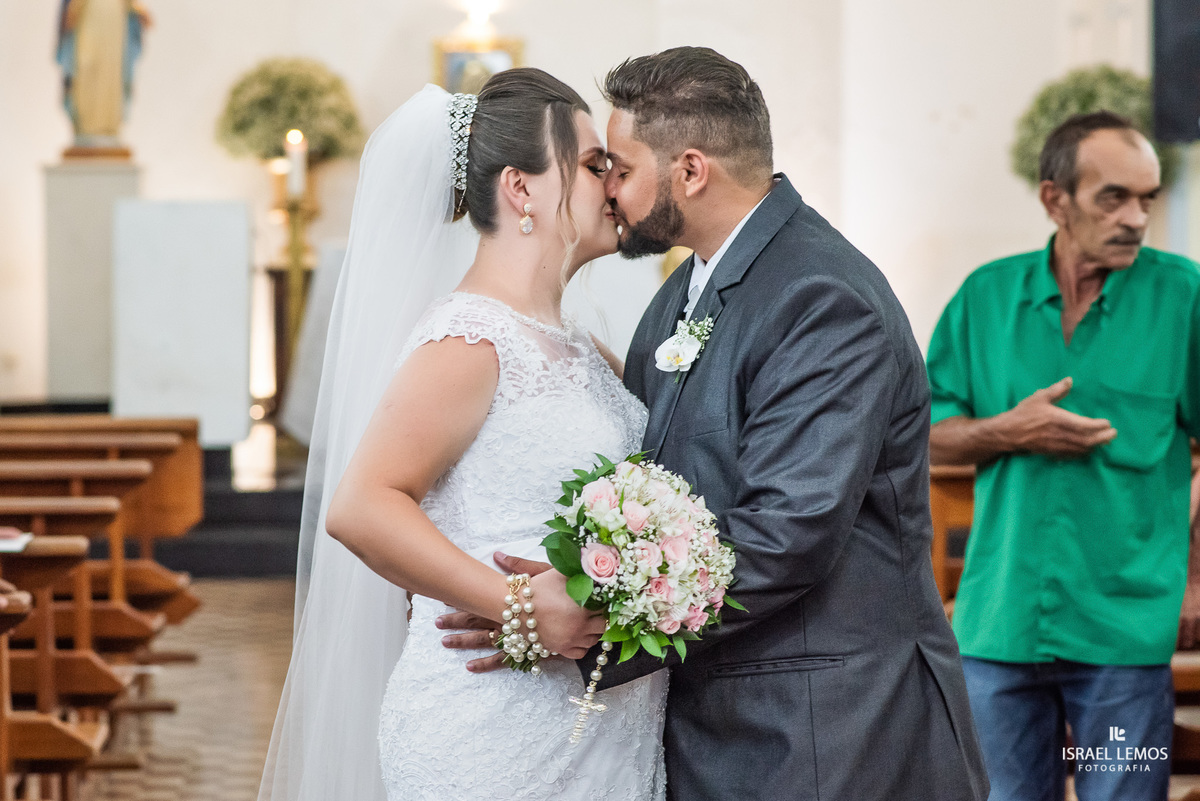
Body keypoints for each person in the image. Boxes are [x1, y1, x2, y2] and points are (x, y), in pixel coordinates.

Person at [442, 46, 988, 800]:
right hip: (720, 723)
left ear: (690, 170)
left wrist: (584, 616)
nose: (610, 191)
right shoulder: (678, 299)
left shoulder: (822, 295)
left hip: (825, 728)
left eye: (621, 169)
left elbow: (788, 533)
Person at [258, 69, 667, 801]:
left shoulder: (584, 347)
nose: (612, 185)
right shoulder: (470, 341)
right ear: (522, 189)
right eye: (593, 164)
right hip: (494, 730)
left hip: (599, 731)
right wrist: (515, 604)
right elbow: (362, 506)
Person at [925, 110, 1200, 801]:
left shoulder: (1185, 297)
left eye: (1148, 197)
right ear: (1056, 199)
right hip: (999, 623)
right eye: (1115, 196)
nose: (1137, 216)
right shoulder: (985, 296)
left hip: (1125, 631)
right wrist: (1008, 431)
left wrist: (1193, 570)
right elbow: (919, 433)